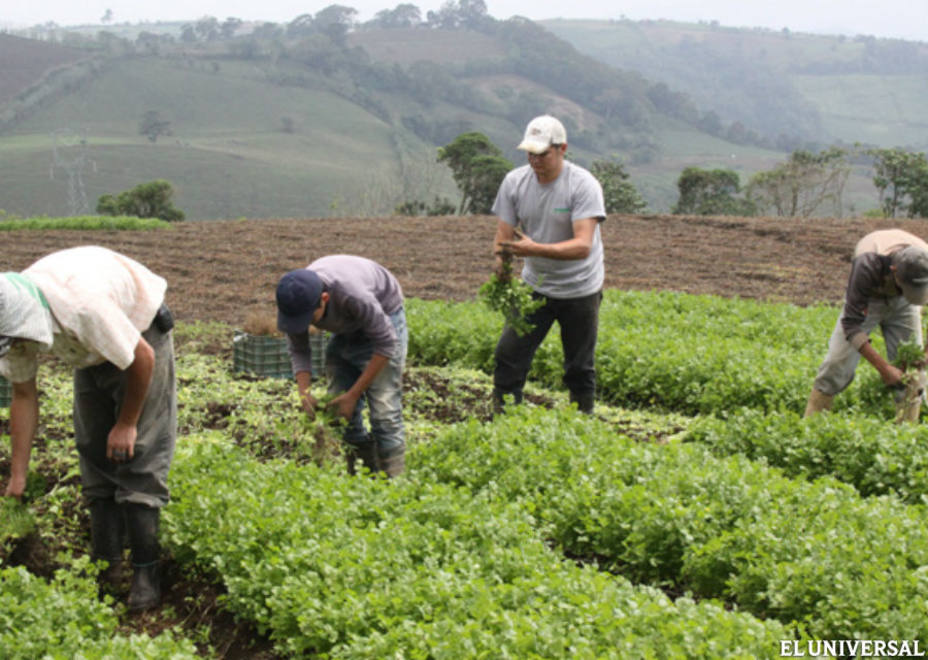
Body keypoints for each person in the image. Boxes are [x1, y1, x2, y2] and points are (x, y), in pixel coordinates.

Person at [0, 246, 176, 611]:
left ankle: (146, 573)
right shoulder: (10, 318)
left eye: (16, 341)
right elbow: (23, 394)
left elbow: (142, 357)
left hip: (140, 336)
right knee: (93, 450)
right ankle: (106, 567)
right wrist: (18, 475)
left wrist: (127, 424)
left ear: (24, 325)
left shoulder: (82, 307)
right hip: (89, 350)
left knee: (137, 454)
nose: (16, 348)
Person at [490, 114, 607, 414]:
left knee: (579, 367)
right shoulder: (515, 182)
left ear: (562, 149)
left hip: (580, 288)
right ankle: (504, 421)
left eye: (542, 154)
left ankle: (582, 426)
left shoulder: (582, 185)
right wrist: (502, 272)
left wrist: (533, 249)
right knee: (508, 356)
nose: (535, 160)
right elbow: (503, 238)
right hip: (535, 286)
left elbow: (582, 245)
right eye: (530, 153)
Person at [276, 255, 407, 477]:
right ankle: (362, 473)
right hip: (348, 321)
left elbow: (386, 344)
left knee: (384, 412)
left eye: (309, 318)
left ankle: (394, 483)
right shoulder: (295, 299)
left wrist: (354, 395)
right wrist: (304, 394)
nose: (305, 324)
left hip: (385, 315)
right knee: (339, 410)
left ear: (324, 299)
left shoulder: (353, 295)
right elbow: (299, 349)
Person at [805, 228, 928, 416]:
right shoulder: (867, 264)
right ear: (894, 271)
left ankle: (906, 435)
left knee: (914, 371)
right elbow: (852, 325)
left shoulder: (924, 263)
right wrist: (884, 368)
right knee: (836, 363)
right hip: (870, 299)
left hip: (903, 306)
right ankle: (811, 423)